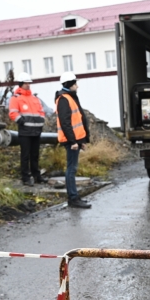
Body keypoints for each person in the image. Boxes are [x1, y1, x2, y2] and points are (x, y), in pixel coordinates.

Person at [55, 72, 91, 209]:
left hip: (75, 140)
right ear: (70, 84)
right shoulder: (64, 99)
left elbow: (78, 120)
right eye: (75, 83)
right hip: (71, 141)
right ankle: (73, 198)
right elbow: (65, 123)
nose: (77, 86)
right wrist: (73, 141)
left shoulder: (70, 97)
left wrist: (82, 141)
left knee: (72, 169)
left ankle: (74, 197)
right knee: (71, 169)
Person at [8, 71, 52, 186]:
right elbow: (13, 113)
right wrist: (22, 122)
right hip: (25, 132)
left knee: (35, 155)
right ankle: (26, 177)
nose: (28, 85)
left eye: (29, 83)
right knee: (25, 155)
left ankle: (36, 176)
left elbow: (41, 111)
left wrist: (41, 121)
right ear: (21, 84)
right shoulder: (16, 98)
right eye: (26, 83)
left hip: (36, 131)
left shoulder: (35, 98)